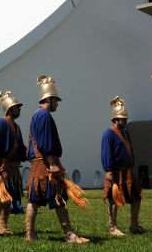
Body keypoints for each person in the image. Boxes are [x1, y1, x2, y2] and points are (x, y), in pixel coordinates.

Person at [25, 76, 89, 244]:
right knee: (58, 198)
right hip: (46, 165)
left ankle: (30, 234)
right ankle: (69, 234)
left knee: (34, 200)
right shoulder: (44, 116)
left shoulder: (35, 115)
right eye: (56, 101)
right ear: (49, 99)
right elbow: (46, 144)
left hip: (37, 164)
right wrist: (53, 165)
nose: (57, 104)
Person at [101, 96, 145, 237]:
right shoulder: (108, 133)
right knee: (114, 199)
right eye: (122, 119)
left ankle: (134, 224)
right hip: (116, 172)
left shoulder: (126, 132)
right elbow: (106, 153)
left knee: (136, 197)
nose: (125, 121)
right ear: (115, 119)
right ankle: (113, 227)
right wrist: (108, 171)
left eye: (125, 119)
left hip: (129, 172)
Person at [0, 90, 28, 236]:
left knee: (9, 198)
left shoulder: (17, 127)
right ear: (10, 109)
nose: (19, 109)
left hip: (12, 168)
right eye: (17, 107)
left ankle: (3, 226)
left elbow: (21, 149)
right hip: (1, 166)